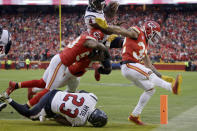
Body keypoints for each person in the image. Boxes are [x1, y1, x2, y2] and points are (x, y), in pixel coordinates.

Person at [118, 21, 182, 125]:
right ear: (149, 30)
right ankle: (171, 88)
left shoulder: (145, 43)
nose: (155, 38)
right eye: (154, 34)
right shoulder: (137, 31)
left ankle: (134, 115)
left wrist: (162, 76)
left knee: (150, 89)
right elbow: (127, 32)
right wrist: (116, 30)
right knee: (149, 73)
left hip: (133, 68)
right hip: (129, 65)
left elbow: (149, 65)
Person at [0, 90, 108, 127]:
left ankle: (43, 114)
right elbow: (60, 120)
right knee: (30, 114)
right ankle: (7, 98)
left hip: (56, 92)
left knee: (44, 114)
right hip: (49, 104)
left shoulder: (93, 98)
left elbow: (80, 92)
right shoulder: (81, 121)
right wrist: (52, 117)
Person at [0, 24, 12, 111]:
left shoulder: (6, 34)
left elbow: (9, 44)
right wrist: (5, 53)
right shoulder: (6, 34)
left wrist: (4, 53)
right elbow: (9, 44)